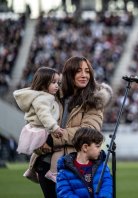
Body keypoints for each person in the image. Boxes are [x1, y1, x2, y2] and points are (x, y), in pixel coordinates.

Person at [34, 56, 113, 198]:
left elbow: (89, 132)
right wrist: (39, 145)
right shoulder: (53, 95)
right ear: (69, 74)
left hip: (72, 165)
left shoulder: (95, 100)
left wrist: (52, 140)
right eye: (79, 71)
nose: (84, 75)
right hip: (45, 163)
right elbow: (36, 124)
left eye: (87, 71)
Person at [13, 67, 64, 183]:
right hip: (41, 130)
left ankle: (31, 169)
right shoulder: (43, 98)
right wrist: (54, 127)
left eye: (58, 83)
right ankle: (52, 171)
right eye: (53, 82)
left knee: (37, 153)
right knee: (59, 148)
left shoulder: (41, 96)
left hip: (35, 129)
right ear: (43, 83)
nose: (57, 86)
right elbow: (44, 115)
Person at [56, 127, 113, 198]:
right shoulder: (64, 170)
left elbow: (107, 188)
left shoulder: (102, 167)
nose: (100, 150)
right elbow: (64, 194)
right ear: (85, 147)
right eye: (97, 146)